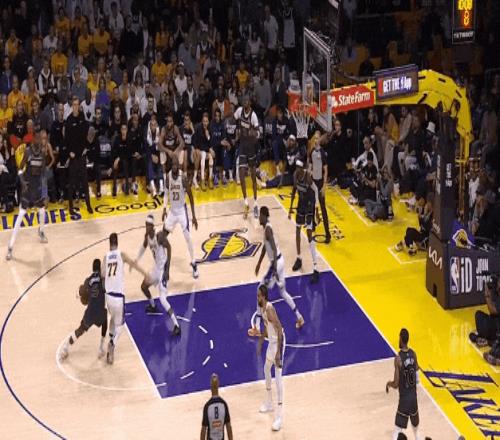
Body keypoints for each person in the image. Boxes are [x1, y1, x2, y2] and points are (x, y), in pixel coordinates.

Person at [250, 206, 304, 337]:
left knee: (260, 291)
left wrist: (273, 269)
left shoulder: (268, 229)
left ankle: (257, 327)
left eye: (260, 216)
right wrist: (259, 263)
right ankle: (299, 317)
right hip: (280, 261)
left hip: (276, 263)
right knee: (283, 292)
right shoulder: (267, 228)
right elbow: (266, 246)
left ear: (264, 216)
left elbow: (273, 249)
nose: (258, 218)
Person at [103, 232, 146, 365]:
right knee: (120, 326)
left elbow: (102, 275)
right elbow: (134, 264)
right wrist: (145, 273)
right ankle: (112, 343)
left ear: (109, 243)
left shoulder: (105, 257)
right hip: (118, 297)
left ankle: (110, 339)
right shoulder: (122, 255)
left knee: (112, 318)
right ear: (117, 242)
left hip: (108, 297)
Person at [134, 214, 181, 336]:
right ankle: (153, 306)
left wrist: (167, 270)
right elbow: (143, 247)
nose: (146, 227)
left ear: (152, 226)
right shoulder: (147, 237)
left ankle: (177, 325)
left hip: (163, 268)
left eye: (148, 225)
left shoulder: (159, 236)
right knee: (143, 286)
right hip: (156, 268)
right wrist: (136, 260)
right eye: (145, 225)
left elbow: (169, 248)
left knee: (163, 299)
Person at [6, 132, 48, 260]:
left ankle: (41, 231)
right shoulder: (28, 152)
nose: (40, 140)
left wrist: (45, 193)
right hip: (27, 189)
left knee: (42, 211)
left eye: (41, 139)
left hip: (37, 189)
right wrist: (22, 181)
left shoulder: (42, 154)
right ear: (33, 139)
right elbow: (19, 169)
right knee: (20, 217)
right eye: (38, 138)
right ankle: (10, 247)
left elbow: (44, 175)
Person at [59, 259, 108, 361]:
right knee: (105, 320)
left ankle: (65, 348)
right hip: (100, 310)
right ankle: (101, 348)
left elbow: (80, 293)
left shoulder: (87, 280)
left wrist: (80, 295)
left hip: (90, 311)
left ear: (92, 269)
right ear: (100, 268)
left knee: (80, 330)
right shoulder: (103, 279)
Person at [163, 156, 199, 279]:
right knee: (162, 237)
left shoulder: (182, 178)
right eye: (172, 165)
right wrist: (164, 208)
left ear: (178, 166)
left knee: (188, 237)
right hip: (172, 212)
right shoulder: (168, 177)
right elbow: (166, 193)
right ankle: (163, 262)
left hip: (182, 211)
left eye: (176, 165)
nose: (174, 166)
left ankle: (194, 263)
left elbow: (191, 196)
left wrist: (194, 216)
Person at [256, 284, 285, 431]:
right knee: (266, 369)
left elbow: (279, 328)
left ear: (264, 296)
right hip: (272, 343)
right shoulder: (262, 310)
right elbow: (267, 328)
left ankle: (279, 417)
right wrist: (261, 342)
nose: (257, 298)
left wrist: (278, 352)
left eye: (258, 296)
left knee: (278, 379)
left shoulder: (269, 309)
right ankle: (269, 402)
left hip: (278, 342)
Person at [386, 328, 421, 440]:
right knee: (416, 430)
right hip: (413, 398)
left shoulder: (398, 358)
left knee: (397, 431)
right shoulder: (413, 354)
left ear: (401, 339)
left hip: (404, 399)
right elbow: (417, 374)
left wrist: (389, 384)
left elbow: (396, 384)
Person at [289, 160, 320, 284]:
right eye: (296, 167)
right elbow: (294, 190)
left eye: (299, 167)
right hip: (301, 203)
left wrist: (316, 209)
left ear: (302, 168)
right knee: (297, 230)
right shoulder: (295, 176)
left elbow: (316, 189)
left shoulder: (307, 176)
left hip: (309, 203)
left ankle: (316, 267)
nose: (297, 169)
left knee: (309, 234)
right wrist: (290, 207)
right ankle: (299, 258)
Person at [65, 96, 93, 215]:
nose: (76, 107)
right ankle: (71, 207)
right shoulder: (69, 120)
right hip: (73, 157)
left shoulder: (82, 117)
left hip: (82, 156)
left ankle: (88, 205)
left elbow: (89, 132)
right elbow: (66, 139)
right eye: (74, 105)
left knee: (85, 182)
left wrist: (86, 147)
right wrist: (69, 152)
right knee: (71, 183)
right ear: (72, 106)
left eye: (77, 104)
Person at [234, 95, 259, 219]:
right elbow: (233, 119)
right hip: (242, 146)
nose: (244, 102)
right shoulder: (239, 111)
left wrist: (252, 133)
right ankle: (246, 203)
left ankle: (255, 203)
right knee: (241, 174)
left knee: (253, 177)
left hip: (251, 148)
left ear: (250, 103)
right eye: (243, 100)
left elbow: (258, 133)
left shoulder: (253, 116)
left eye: (247, 100)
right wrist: (237, 131)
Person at [309, 139, 330, 242]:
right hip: (313, 181)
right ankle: (313, 224)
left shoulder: (322, 153)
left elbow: (326, 170)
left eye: (317, 138)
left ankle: (328, 234)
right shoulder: (312, 151)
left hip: (320, 182)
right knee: (312, 204)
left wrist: (324, 186)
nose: (316, 140)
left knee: (323, 208)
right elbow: (310, 166)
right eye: (315, 139)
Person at [470, 276, 500, 348]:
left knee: (478, 315)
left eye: (499, 282)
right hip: (496, 327)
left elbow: (493, 310)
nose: (497, 283)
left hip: (495, 330)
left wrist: (487, 294)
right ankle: (489, 340)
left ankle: (487, 338)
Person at [201, 373, 233, 440]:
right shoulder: (223, 404)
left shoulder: (207, 406)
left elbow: (203, 430)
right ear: (218, 385)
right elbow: (228, 427)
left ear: (210, 386)